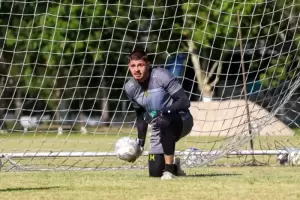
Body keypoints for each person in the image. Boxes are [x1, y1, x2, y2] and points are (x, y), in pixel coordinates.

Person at [124, 49, 194, 180]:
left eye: (140, 65)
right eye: (133, 66)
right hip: (159, 126)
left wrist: (161, 111)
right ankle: (175, 166)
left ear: (148, 65)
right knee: (155, 172)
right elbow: (141, 116)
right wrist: (139, 144)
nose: (136, 70)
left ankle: (169, 171)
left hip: (181, 119)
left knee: (163, 120)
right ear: (129, 67)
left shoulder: (161, 76)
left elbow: (184, 101)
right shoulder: (130, 88)